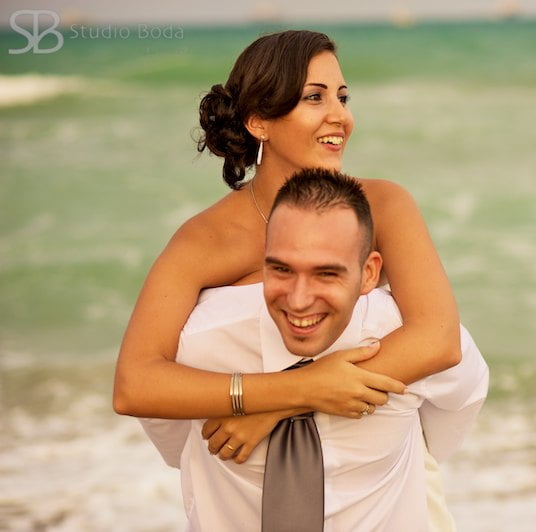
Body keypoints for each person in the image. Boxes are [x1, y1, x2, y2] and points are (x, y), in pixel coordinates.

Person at [113, 29, 466, 529]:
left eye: (342, 97)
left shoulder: (383, 205)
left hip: (378, 474)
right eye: (314, 98)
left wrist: (289, 396)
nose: (339, 116)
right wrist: (295, 391)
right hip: (245, 487)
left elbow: (439, 336)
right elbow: (135, 383)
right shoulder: (204, 240)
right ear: (260, 121)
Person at [142, 168, 488, 530]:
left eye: (326, 274)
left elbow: (447, 416)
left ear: (370, 273)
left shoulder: (402, 337)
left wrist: (277, 402)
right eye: (282, 270)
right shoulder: (202, 348)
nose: (300, 299)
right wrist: (303, 389)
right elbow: (446, 426)